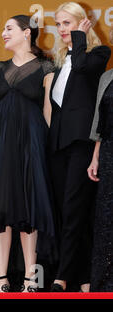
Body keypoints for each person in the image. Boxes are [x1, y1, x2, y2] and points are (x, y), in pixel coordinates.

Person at [0, 15, 56, 292]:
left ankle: (31, 279)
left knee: (28, 210)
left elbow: (48, 112)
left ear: (26, 33)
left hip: (31, 146)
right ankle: (2, 280)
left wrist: (47, 151)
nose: (3, 33)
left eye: (8, 28)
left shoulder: (46, 66)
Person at [48, 2, 111, 292]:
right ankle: (85, 278)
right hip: (59, 145)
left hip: (83, 144)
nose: (62, 29)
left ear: (83, 24)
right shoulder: (62, 62)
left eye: (67, 23)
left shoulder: (99, 53)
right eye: (58, 24)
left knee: (74, 209)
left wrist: (80, 39)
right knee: (72, 211)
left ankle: (62, 277)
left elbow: (86, 69)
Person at [87, 25, 113, 292]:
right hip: (108, 154)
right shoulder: (107, 78)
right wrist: (95, 158)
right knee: (106, 221)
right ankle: (105, 284)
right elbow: (99, 124)